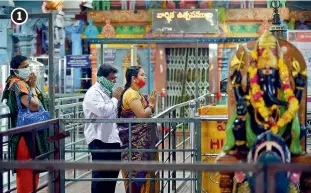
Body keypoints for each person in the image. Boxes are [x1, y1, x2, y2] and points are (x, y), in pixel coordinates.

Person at [2, 55, 49, 193]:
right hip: (25, 135)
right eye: (24, 67)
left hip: (25, 134)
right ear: (15, 70)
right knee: (27, 177)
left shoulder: (17, 82)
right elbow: (34, 106)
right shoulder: (19, 84)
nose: (27, 69)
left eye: (28, 66)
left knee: (29, 176)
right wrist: (33, 88)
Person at [117, 66, 159, 193]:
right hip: (135, 144)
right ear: (133, 78)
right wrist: (151, 105)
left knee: (145, 173)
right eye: (142, 75)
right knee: (137, 175)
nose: (145, 77)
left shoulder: (137, 93)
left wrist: (150, 106)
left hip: (144, 143)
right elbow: (142, 115)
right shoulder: (131, 94)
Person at [83, 64, 124, 193]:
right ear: (102, 79)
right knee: (100, 177)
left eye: (115, 78)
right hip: (99, 140)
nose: (114, 81)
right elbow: (103, 111)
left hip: (113, 140)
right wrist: (115, 99)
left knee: (111, 177)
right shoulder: (92, 93)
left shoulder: (107, 93)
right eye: (112, 79)